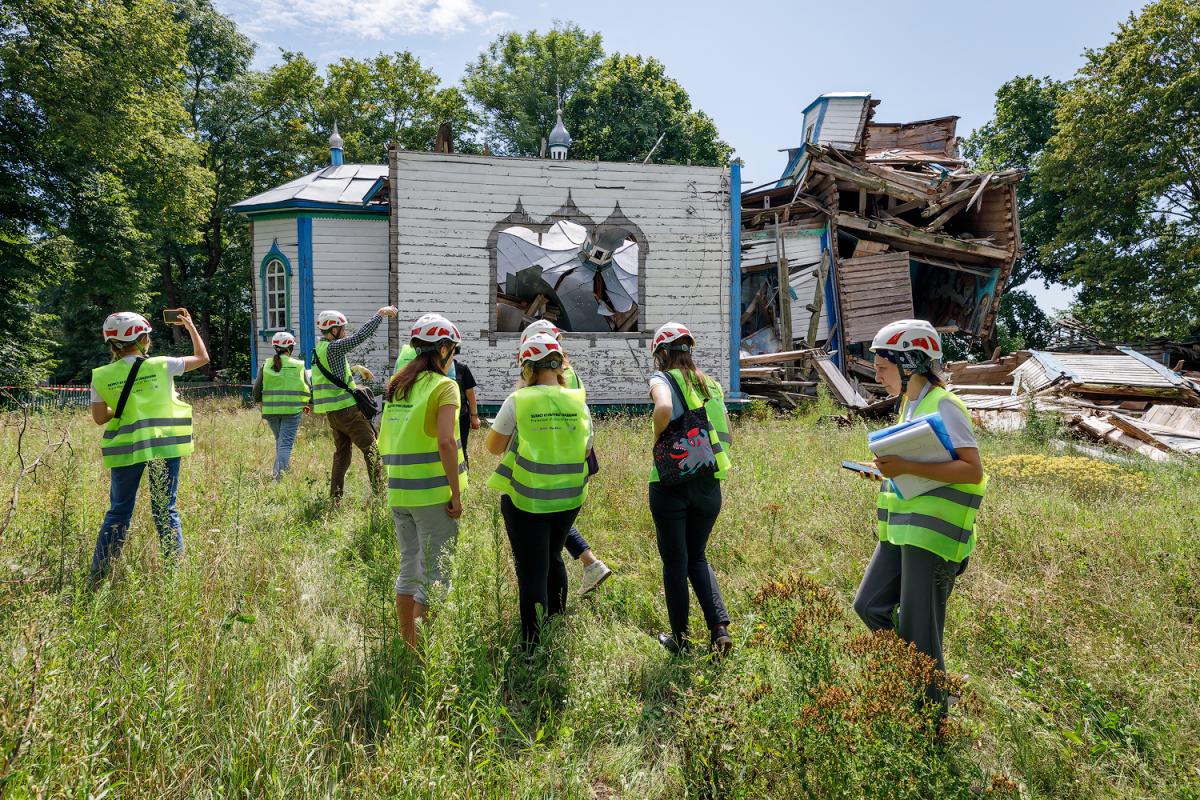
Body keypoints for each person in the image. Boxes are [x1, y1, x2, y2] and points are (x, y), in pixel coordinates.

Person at [852, 319, 987, 714]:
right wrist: (881, 468)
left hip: (933, 538)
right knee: (869, 606)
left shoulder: (944, 404)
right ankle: (923, 681)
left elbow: (971, 469)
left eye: (883, 367)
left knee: (918, 631)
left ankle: (932, 718)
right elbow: (916, 463)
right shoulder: (910, 405)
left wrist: (905, 467)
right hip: (902, 533)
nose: (877, 374)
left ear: (910, 364)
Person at [486, 333, 593, 649]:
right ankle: (556, 621)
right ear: (561, 365)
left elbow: (494, 447)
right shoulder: (577, 400)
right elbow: (587, 449)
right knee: (553, 555)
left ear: (527, 368)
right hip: (569, 499)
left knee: (532, 570)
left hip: (528, 500)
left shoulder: (518, 400)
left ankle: (532, 647)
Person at [88, 309, 209, 582]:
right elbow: (202, 358)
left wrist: (119, 406)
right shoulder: (161, 365)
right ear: (143, 339)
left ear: (111, 343)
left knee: (118, 512)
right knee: (165, 509)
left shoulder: (101, 375)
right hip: (164, 446)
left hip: (125, 450)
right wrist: (189, 325)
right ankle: (174, 576)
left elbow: (99, 418)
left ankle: (99, 574)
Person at [379, 314, 467, 648]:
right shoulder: (445, 386)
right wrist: (456, 495)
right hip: (432, 495)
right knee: (435, 576)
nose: (454, 356)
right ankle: (421, 653)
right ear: (443, 349)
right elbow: (447, 442)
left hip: (399, 491)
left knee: (409, 569)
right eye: (453, 350)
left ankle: (406, 644)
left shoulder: (398, 385)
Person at [647, 322, 734, 655]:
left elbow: (664, 407)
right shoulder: (710, 384)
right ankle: (719, 629)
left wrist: (658, 439)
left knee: (675, 563)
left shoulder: (662, 379)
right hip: (709, 484)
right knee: (697, 556)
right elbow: (726, 434)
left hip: (671, 483)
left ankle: (681, 641)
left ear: (664, 353)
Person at [517, 320, 612, 594]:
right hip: (574, 453)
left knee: (552, 516)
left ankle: (591, 563)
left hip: (556, 454)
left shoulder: (558, 377)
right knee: (560, 518)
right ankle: (590, 564)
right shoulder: (570, 372)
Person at [311, 307, 397, 500]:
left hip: (333, 414)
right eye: (342, 329)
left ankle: (335, 499)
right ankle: (380, 497)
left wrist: (355, 368)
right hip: (348, 412)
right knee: (372, 451)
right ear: (333, 330)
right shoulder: (334, 347)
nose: (344, 332)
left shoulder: (319, 349)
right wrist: (379, 315)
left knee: (342, 456)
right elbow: (359, 337)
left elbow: (331, 373)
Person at [253, 331, 311, 479]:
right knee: (285, 444)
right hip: (292, 411)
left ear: (275, 347)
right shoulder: (298, 365)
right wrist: (309, 403)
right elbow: (308, 386)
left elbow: (256, 388)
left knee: (280, 441)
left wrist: (259, 403)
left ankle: (284, 469)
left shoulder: (266, 365)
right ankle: (277, 478)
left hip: (270, 411)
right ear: (290, 348)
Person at [452, 354, 480, 465]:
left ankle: (464, 470)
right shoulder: (434, 368)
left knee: (461, 446)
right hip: (441, 417)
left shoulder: (462, 369)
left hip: (461, 416)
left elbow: (470, 393)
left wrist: (474, 416)